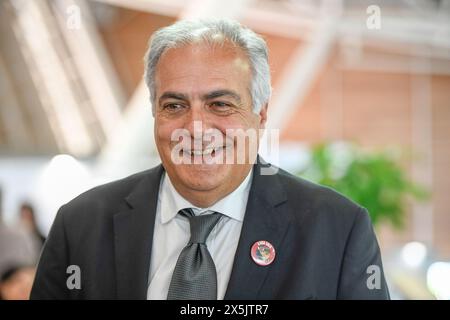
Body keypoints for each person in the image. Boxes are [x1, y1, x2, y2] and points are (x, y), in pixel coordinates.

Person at [31, 19, 390, 300]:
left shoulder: (337, 230)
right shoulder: (80, 226)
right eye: (174, 106)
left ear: (261, 115)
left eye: (220, 104)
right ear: (154, 113)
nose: (197, 128)